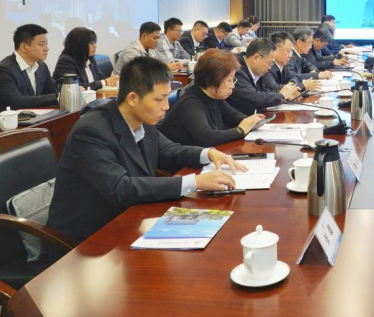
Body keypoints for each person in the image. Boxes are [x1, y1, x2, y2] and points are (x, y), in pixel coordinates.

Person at [47, 56, 246, 244]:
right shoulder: (92, 131)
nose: (166, 106)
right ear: (133, 98)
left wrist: (208, 153)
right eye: (160, 99)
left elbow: (171, 151)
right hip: (90, 238)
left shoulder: (143, 120)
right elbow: (120, 188)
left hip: (131, 219)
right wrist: (195, 182)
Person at [160, 50, 267, 147]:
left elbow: (232, 117)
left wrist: (251, 121)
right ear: (211, 80)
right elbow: (207, 138)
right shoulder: (190, 103)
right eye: (229, 80)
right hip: (183, 161)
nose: (233, 85)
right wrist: (241, 130)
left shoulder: (214, 96)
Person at [0, 24, 58, 119]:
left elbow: (54, 89)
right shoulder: (3, 70)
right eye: (42, 44)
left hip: (29, 119)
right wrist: (58, 96)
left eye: (46, 44)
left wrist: (68, 92)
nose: (46, 48)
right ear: (24, 47)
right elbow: (17, 102)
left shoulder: (41, 66)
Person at [227, 38, 301, 114]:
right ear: (256, 58)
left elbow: (264, 92)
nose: (270, 68)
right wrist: (282, 95)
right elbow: (254, 98)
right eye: (269, 63)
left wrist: (286, 95)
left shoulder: (256, 70)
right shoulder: (235, 69)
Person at [54, 27, 119, 90]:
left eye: (94, 42)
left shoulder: (89, 59)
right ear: (80, 44)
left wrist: (113, 80)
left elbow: (100, 77)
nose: (95, 46)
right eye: (91, 43)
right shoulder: (66, 61)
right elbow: (77, 87)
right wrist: (105, 82)